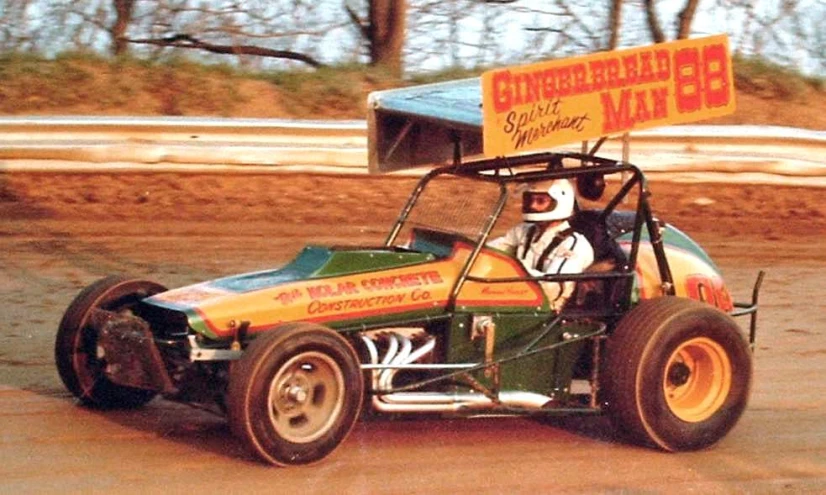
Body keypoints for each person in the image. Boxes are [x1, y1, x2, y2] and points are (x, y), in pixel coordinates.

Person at [489, 178, 594, 311]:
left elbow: (552, 286)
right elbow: (490, 252)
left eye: (540, 201)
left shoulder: (574, 244)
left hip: (547, 311)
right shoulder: (524, 230)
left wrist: (511, 270)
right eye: (529, 200)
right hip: (515, 296)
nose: (532, 206)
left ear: (560, 202)